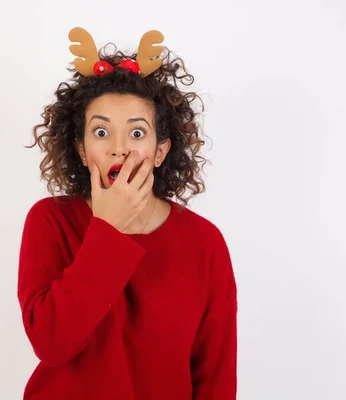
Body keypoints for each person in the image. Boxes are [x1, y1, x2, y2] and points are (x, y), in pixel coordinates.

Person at [18, 27, 237, 399]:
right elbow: (51, 343)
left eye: (137, 134)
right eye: (101, 133)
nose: (119, 149)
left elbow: (215, 375)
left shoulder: (204, 242)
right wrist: (108, 227)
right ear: (83, 150)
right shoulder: (50, 221)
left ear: (161, 150)